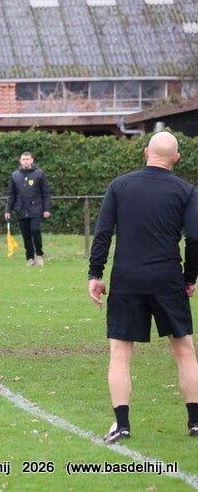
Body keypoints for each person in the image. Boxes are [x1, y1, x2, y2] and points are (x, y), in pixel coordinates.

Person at [88, 131, 198, 444]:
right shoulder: (186, 190)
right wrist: (190, 277)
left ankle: (122, 425)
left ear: (146, 153)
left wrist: (95, 274)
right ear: (176, 159)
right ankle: (195, 422)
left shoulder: (119, 186)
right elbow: (195, 237)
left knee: (120, 353)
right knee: (184, 350)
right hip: (167, 279)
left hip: (127, 280)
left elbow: (103, 233)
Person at [4, 151, 53, 266]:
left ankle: (39, 255)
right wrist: (8, 210)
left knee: (35, 230)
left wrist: (47, 209)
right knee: (25, 235)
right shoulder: (15, 175)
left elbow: (46, 193)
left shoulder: (39, 174)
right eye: (23, 159)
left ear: (32, 160)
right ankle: (30, 258)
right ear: (20, 161)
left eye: (27, 159)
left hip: (36, 209)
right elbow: (11, 195)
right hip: (21, 210)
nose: (25, 161)